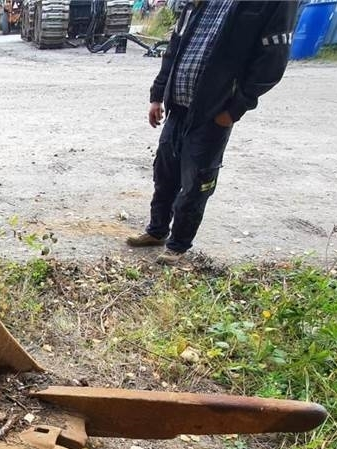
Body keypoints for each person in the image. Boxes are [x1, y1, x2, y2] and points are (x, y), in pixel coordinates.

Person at [127, 0, 298, 264]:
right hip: (177, 107)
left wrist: (234, 109)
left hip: (212, 115)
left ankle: (178, 245)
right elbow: (175, 46)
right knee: (164, 175)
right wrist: (158, 94)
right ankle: (157, 231)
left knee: (196, 184)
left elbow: (272, 61)